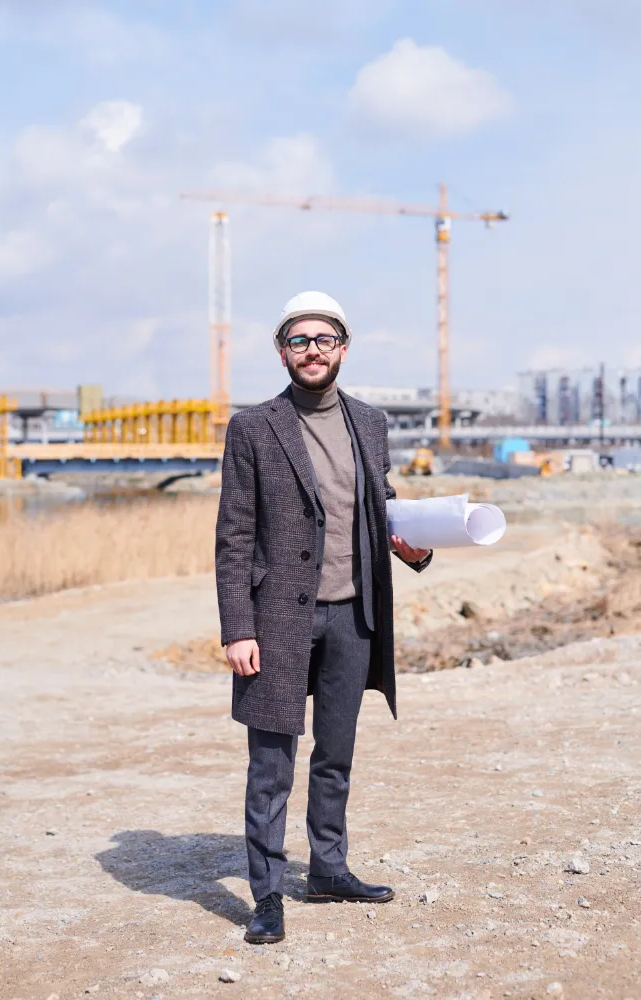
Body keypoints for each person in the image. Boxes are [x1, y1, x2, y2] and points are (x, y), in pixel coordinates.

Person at [215, 291, 432, 945]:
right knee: (271, 764)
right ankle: (266, 895)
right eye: (299, 340)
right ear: (282, 352)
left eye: (324, 339)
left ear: (343, 347)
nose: (312, 350)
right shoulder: (253, 428)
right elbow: (233, 533)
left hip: (353, 617)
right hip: (277, 618)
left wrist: (412, 544)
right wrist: (237, 627)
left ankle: (328, 869)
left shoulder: (370, 421)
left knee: (335, 755)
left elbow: (381, 504)